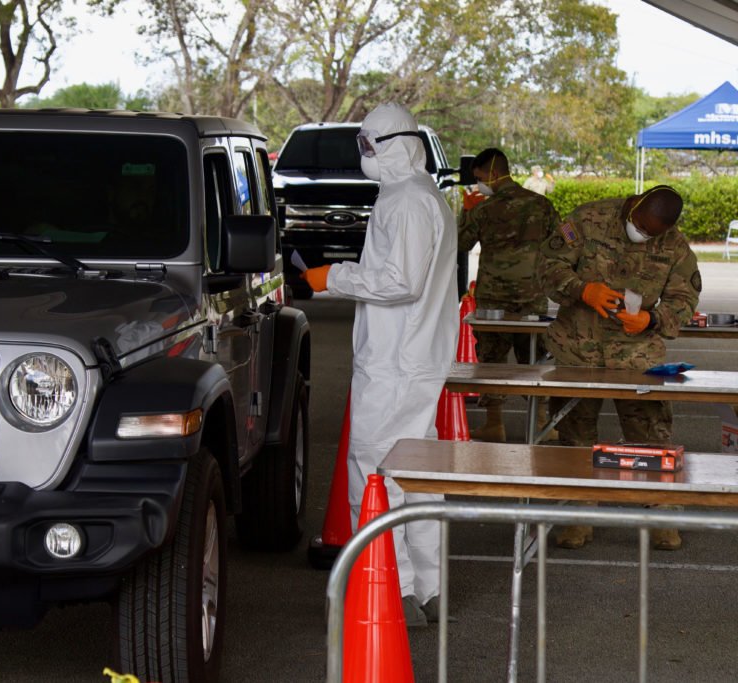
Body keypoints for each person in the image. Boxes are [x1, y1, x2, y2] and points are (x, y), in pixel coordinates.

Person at [300, 102, 458, 627]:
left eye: (368, 145)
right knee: (416, 476)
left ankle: (395, 592)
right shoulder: (418, 195)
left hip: (394, 364)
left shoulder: (407, 202)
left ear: (389, 146)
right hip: (414, 359)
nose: (363, 155)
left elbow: (399, 282)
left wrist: (332, 277)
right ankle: (429, 589)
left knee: (373, 474)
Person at [539, 185, 700, 551]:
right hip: (577, 349)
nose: (641, 235)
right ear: (635, 204)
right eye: (639, 226)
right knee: (574, 437)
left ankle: (661, 515)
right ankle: (578, 516)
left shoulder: (674, 245)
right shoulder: (587, 218)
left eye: (651, 234)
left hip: (637, 356)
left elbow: (684, 297)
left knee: (652, 436)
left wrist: (651, 319)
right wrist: (582, 290)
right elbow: (548, 265)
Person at [458, 148, 561, 443]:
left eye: (479, 178)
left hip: (494, 300)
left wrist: (466, 212)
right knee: (536, 360)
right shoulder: (542, 205)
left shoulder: (483, 209)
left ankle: (494, 423)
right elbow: (563, 243)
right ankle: (542, 425)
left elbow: (462, 243)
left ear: (491, 173)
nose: (478, 185)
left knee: (492, 360)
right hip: (532, 297)